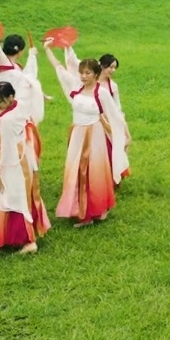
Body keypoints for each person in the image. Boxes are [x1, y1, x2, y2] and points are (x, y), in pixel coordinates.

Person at [42, 39, 117, 227]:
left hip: (95, 135)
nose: (83, 76)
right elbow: (58, 67)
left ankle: (96, 209)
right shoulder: (75, 88)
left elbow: (113, 115)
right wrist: (47, 50)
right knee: (76, 170)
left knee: (94, 170)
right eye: (81, 72)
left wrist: (121, 136)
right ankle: (81, 208)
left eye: (87, 73)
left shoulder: (102, 93)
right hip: (77, 134)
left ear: (96, 74)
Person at [0, 80, 48, 253]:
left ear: (10, 97)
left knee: (8, 196)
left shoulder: (5, 119)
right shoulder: (20, 105)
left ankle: (26, 240)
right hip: (24, 153)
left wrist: (1, 173)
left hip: (12, 158)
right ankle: (24, 235)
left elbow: (6, 147)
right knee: (21, 194)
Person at [0, 34, 45, 174]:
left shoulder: (8, 66)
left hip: (8, 107)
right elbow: (29, 78)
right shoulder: (8, 67)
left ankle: (13, 170)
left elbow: (27, 79)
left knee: (10, 141)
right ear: (20, 51)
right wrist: (32, 56)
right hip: (14, 110)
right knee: (14, 142)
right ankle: (14, 171)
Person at [97, 53, 131, 183]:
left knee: (114, 149)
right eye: (110, 67)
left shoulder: (113, 86)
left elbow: (117, 107)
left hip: (110, 120)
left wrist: (121, 123)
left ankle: (112, 177)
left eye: (114, 67)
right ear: (102, 66)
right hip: (95, 120)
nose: (113, 70)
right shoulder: (92, 83)